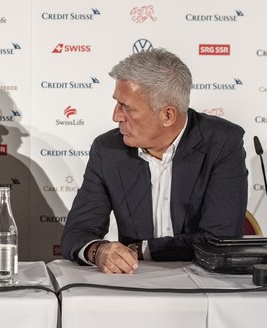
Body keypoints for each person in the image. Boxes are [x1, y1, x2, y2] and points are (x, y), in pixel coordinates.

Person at [61, 48, 248, 274]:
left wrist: (141, 249)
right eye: (117, 103)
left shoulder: (222, 143)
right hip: (137, 283)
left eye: (127, 108)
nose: (116, 116)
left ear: (167, 115)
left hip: (205, 281)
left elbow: (218, 240)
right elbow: (77, 232)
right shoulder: (108, 149)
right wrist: (98, 250)